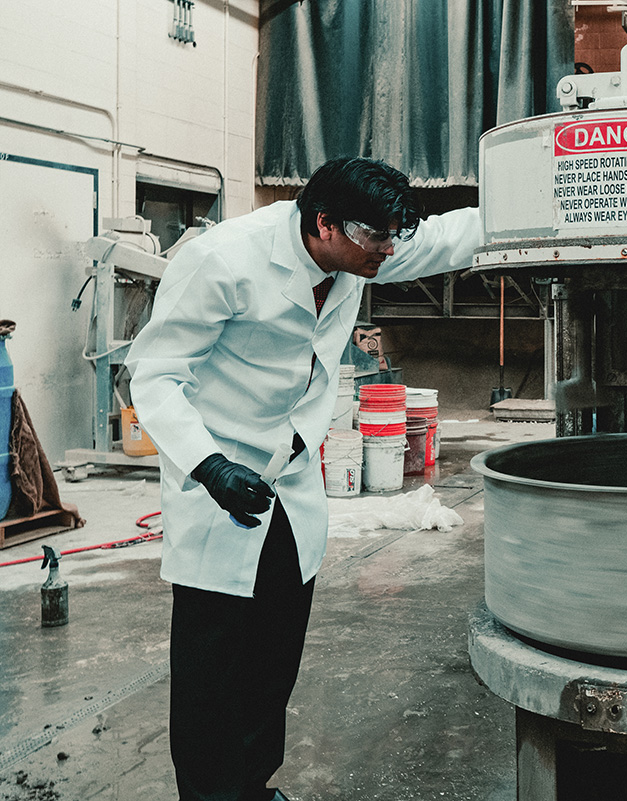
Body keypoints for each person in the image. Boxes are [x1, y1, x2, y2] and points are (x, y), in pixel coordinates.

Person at [126, 156, 481, 801]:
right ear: (325, 223)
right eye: (377, 238)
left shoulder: (357, 248)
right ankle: (210, 794)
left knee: (274, 652)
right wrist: (209, 466)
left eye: (393, 235)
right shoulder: (223, 261)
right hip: (219, 476)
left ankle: (253, 785)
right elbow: (153, 375)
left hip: (289, 481)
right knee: (213, 665)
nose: (390, 251)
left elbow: (449, 237)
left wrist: (564, 192)